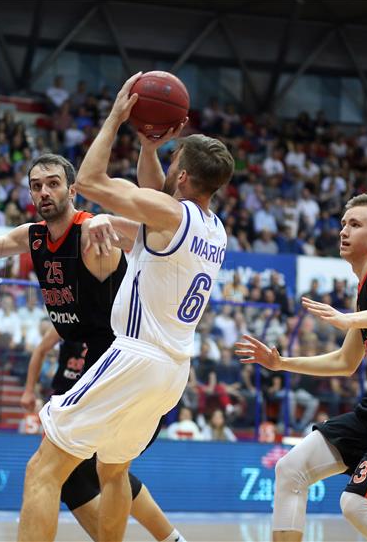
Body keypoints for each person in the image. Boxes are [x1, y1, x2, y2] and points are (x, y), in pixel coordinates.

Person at [0, 150, 186, 542]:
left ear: (73, 189)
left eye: (53, 183)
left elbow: (145, 233)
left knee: (51, 469)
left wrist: (112, 214)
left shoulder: (92, 232)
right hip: (89, 358)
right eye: (36, 186)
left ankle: (169, 537)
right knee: (101, 471)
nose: (44, 192)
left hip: (117, 356)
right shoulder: (33, 236)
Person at [17, 72, 234, 541]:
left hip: (136, 355)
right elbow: (154, 199)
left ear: (183, 177)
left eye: (173, 159)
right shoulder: (212, 228)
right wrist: (151, 148)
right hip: (173, 370)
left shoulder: (169, 214)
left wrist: (116, 118)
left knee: (43, 470)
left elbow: (92, 179)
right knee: (113, 473)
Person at [235, 193, 367, 542]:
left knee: (355, 505)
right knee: (291, 469)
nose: (343, 232)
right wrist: (281, 363)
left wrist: (348, 319)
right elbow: (345, 362)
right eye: (343, 224)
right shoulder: (365, 289)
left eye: (355, 224)